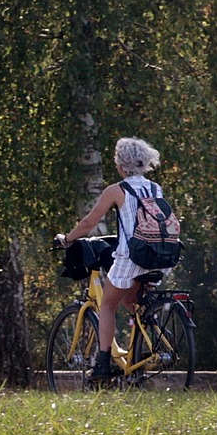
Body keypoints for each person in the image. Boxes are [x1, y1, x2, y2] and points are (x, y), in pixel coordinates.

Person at [52, 137, 168, 379]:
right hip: (160, 256)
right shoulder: (155, 188)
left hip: (132, 257)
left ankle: (103, 364)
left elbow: (89, 222)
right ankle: (149, 343)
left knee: (107, 305)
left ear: (120, 165)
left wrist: (68, 238)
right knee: (132, 301)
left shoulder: (117, 190)